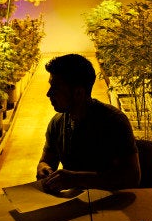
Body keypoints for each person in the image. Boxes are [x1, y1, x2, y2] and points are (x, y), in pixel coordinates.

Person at [36, 54, 141, 193]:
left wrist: (76, 179)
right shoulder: (57, 123)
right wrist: (44, 168)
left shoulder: (114, 122)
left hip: (110, 205)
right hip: (74, 204)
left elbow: (132, 178)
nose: (48, 94)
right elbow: (46, 161)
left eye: (56, 88)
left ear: (79, 93)